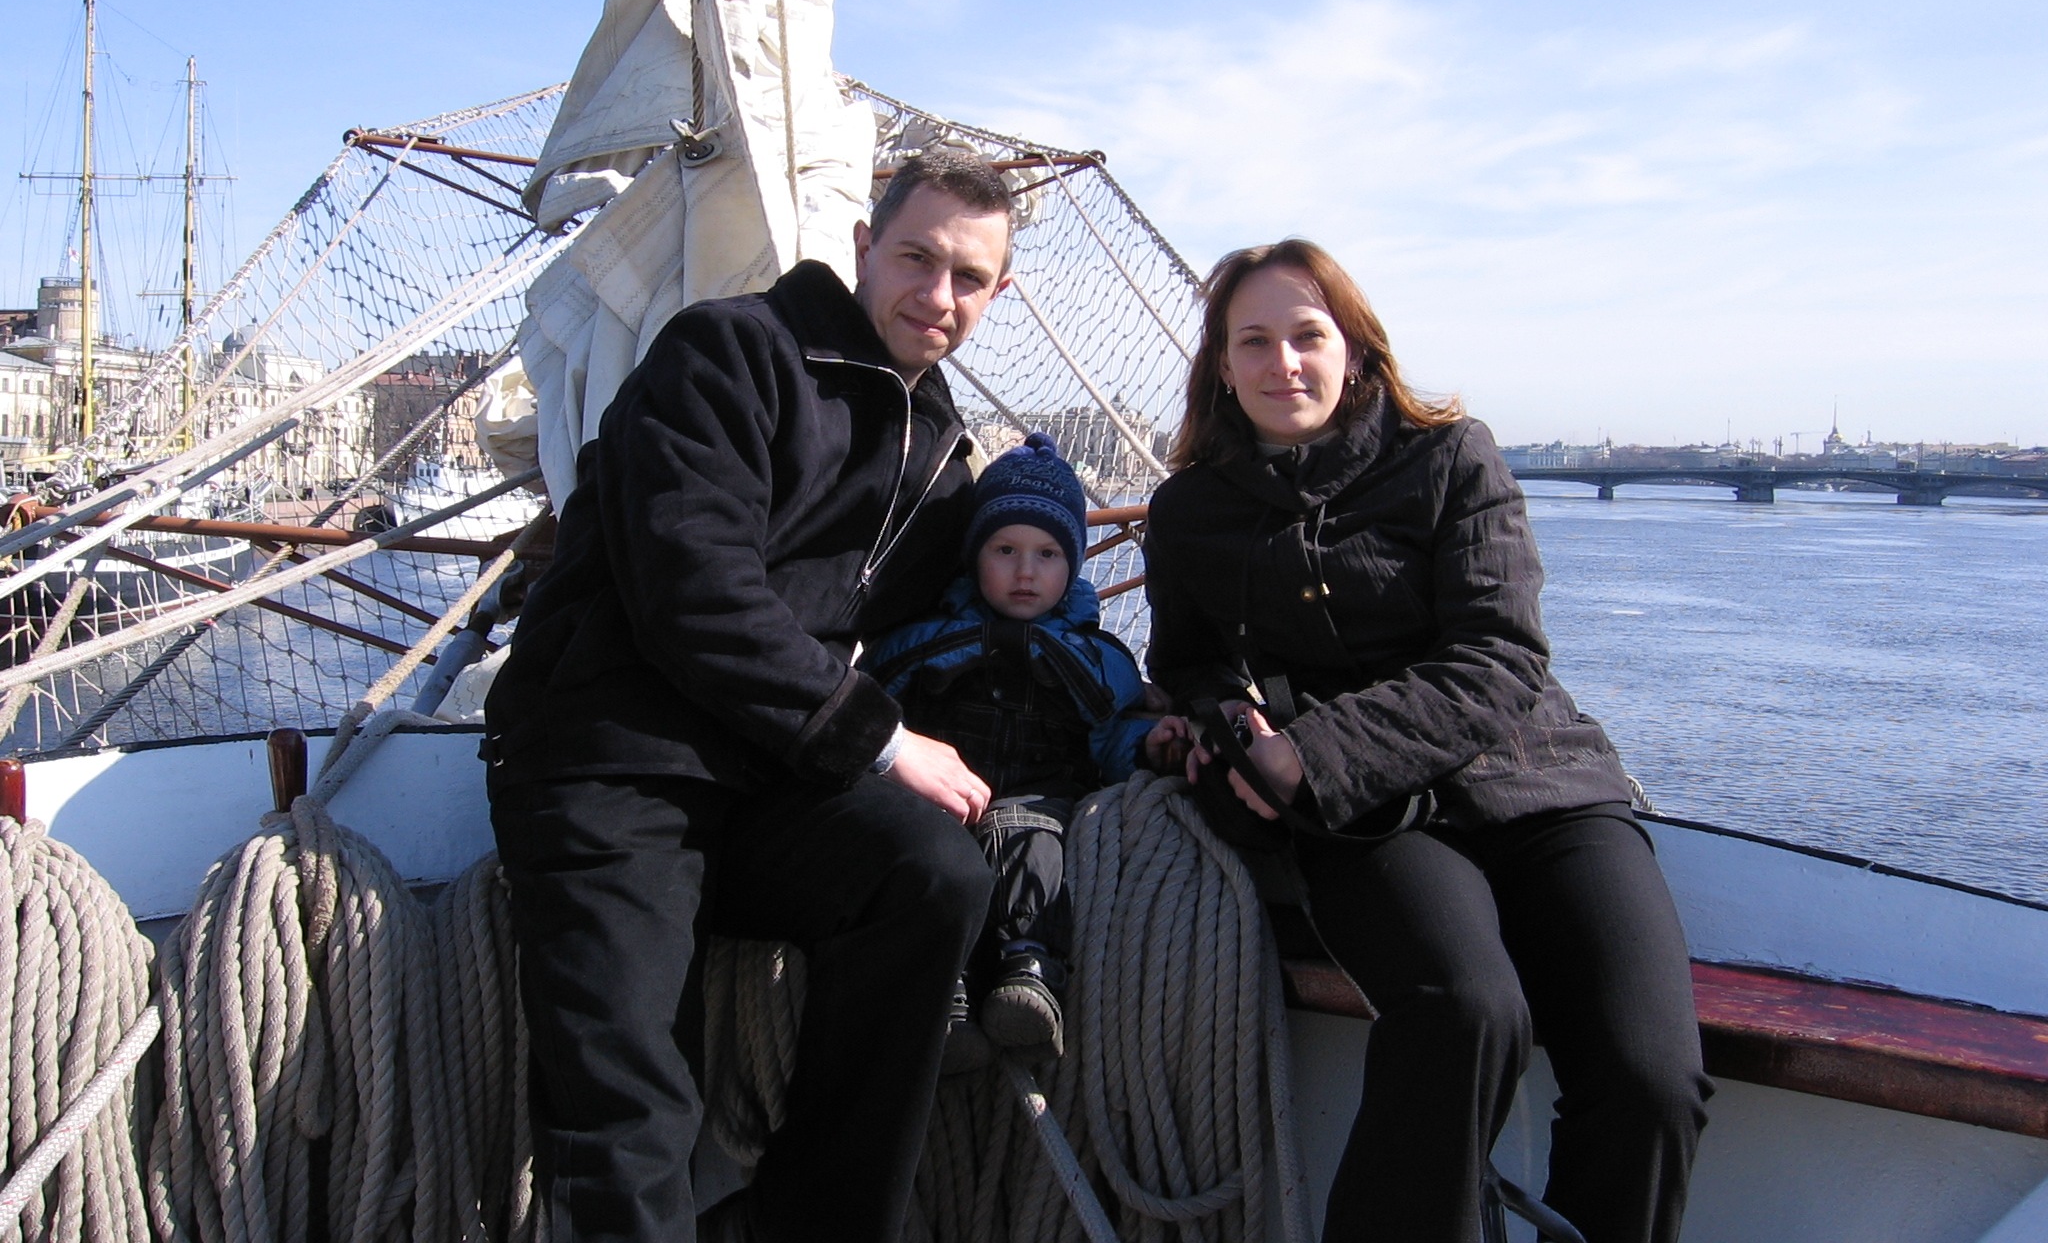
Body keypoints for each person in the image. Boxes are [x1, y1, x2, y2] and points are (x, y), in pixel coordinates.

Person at [481, 147, 1019, 1243]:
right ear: (863, 247)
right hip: (615, 757)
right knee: (632, 1109)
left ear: (996, 292)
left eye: (968, 277)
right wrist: (881, 740)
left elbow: (947, 625)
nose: (938, 294)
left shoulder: (937, 452)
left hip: (769, 778)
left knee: (932, 880)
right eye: (916, 259)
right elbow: (693, 588)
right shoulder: (728, 352)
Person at [1141, 239, 1711, 1243]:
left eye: (1308, 336)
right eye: (1253, 342)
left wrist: (1309, 755)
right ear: (1221, 367)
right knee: (1463, 1012)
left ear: (1355, 351)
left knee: (1649, 1078)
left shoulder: (1449, 457)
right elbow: (1190, 663)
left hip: (1536, 787)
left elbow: (1500, 655)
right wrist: (1233, 733)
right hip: (1374, 821)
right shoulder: (1190, 510)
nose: (1283, 363)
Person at [862, 432, 1181, 1064]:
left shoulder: (1093, 659)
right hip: (947, 795)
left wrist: (1151, 746)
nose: (1026, 572)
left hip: (1040, 797)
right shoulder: (927, 640)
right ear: (973, 556)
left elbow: (1109, 736)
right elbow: (878, 690)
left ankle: (1029, 968)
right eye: (1004, 550)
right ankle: (944, 988)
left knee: (1028, 834)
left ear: (1073, 565)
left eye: (1047, 554)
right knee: (931, 845)